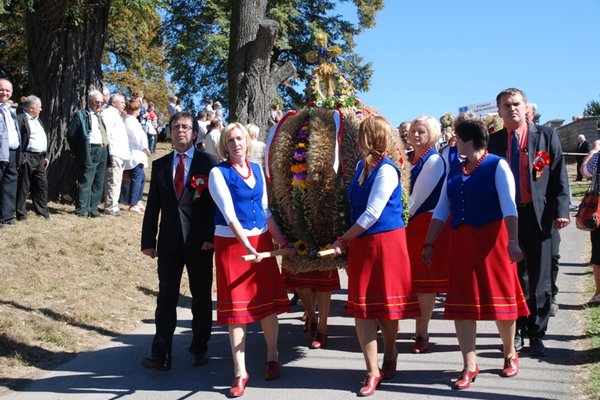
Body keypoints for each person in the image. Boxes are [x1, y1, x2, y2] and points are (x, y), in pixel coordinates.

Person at [422, 119, 529, 390]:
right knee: (462, 306)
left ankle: (509, 353)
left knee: (501, 304)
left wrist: (513, 242)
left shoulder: (497, 165)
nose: (454, 142)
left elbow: (509, 207)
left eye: (456, 138)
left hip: (493, 244)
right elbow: (441, 209)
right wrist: (429, 243)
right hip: (461, 244)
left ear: (467, 140)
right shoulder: (455, 169)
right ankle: (469, 364)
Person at [332, 115, 419, 397]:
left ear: (371, 138)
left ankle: (391, 351)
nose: (356, 140)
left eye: (360, 135)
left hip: (385, 244)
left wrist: (345, 238)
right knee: (363, 309)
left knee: (387, 309)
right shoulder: (360, 166)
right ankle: (372, 370)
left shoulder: (387, 170)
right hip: (362, 244)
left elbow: (373, 213)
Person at [208, 122, 291, 398]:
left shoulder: (256, 169)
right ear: (224, 145)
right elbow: (229, 215)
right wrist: (247, 246)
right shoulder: (217, 174)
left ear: (247, 141)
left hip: (262, 242)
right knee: (237, 311)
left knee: (267, 305)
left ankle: (272, 355)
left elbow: (265, 210)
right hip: (233, 246)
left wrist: (281, 241)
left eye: (240, 139)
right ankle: (240, 372)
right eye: (230, 140)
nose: (236, 144)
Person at [488, 88, 570, 357]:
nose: (512, 109)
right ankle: (519, 330)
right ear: (499, 111)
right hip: (507, 219)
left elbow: (559, 177)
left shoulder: (546, 136)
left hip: (540, 217)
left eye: (516, 104)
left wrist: (561, 211)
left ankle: (537, 332)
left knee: (541, 277)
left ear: (526, 108)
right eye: (506, 105)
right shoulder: (495, 142)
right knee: (515, 276)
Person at [140, 111, 218, 371]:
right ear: (170, 132)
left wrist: (210, 236)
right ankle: (160, 353)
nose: (180, 131)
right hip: (170, 243)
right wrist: (148, 241)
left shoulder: (209, 162)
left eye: (185, 127)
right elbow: (153, 207)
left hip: (200, 244)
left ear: (195, 133)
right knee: (166, 298)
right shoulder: (160, 165)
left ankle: (199, 348)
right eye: (176, 127)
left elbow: (213, 205)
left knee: (201, 298)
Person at [405, 116, 449, 354]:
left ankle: (422, 332)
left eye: (421, 131)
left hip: (422, 225)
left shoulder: (433, 160)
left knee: (424, 284)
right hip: (407, 226)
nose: (416, 135)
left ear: (431, 135)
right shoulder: (408, 159)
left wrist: (394, 221)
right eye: (413, 130)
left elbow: (416, 200)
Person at [67, 89, 109, 218]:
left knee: (98, 181)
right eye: (97, 102)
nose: (100, 104)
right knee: (86, 180)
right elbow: (71, 135)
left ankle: (93, 209)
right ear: (90, 101)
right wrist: (78, 151)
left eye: (102, 102)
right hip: (89, 150)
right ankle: (82, 210)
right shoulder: (81, 114)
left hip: (103, 149)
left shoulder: (100, 115)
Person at [15, 95, 49, 220]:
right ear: (31, 108)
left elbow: (42, 138)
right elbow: (17, 140)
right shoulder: (20, 119)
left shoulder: (38, 120)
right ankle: (21, 213)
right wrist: (22, 157)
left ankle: (42, 212)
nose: (41, 109)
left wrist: (45, 155)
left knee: (41, 185)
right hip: (27, 157)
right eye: (39, 107)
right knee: (23, 186)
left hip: (40, 158)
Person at [101, 93, 129, 217]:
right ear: (113, 103)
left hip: (120, 153)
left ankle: (114, 204)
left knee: (117, 180)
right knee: (113, 180)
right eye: (122, 102)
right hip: (114, 152)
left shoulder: (117, 116)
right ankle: (110, 206)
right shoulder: (108, 114)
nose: (124, 104)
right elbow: (106, 133)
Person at [581, 140, 600, 306]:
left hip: (599, 211)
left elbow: (585, 171)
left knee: (598, 253)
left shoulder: (598, 157)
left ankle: (599, 293)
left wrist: (593, 150)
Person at [0, 78, 21, 226]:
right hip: (1, 152)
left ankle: (6, 217)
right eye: (2, 89)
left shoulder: (11, 110)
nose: (4, 93)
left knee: (10, 184)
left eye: (7, 90)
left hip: (13, 152)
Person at [123, 99, 150, 214]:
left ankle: (138, 200)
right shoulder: (130, 121)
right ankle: (133, 203)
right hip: (135, 152)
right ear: (135, 109)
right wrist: (145, 147)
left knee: (142, 178)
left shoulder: (133, 120)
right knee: (137, 178)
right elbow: (137, 137)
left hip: (138, 152)